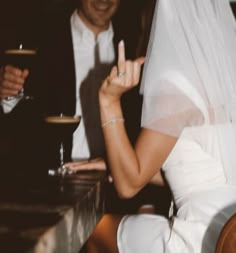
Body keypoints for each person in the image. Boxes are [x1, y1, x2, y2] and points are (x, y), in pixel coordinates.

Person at [84, 0, 236, 252]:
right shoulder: (227, 87)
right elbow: (197, 167)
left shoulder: (177, 89)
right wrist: (117, 160)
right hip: (229, 229)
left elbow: (128, 185)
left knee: (92, 229)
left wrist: (109, 100)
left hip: (200, 238)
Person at [0, 0, 140, 177]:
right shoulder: (42, 36)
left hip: (114, 180)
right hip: (48, 179)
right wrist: (6, 92)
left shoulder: (135, 42)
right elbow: (14, 119)